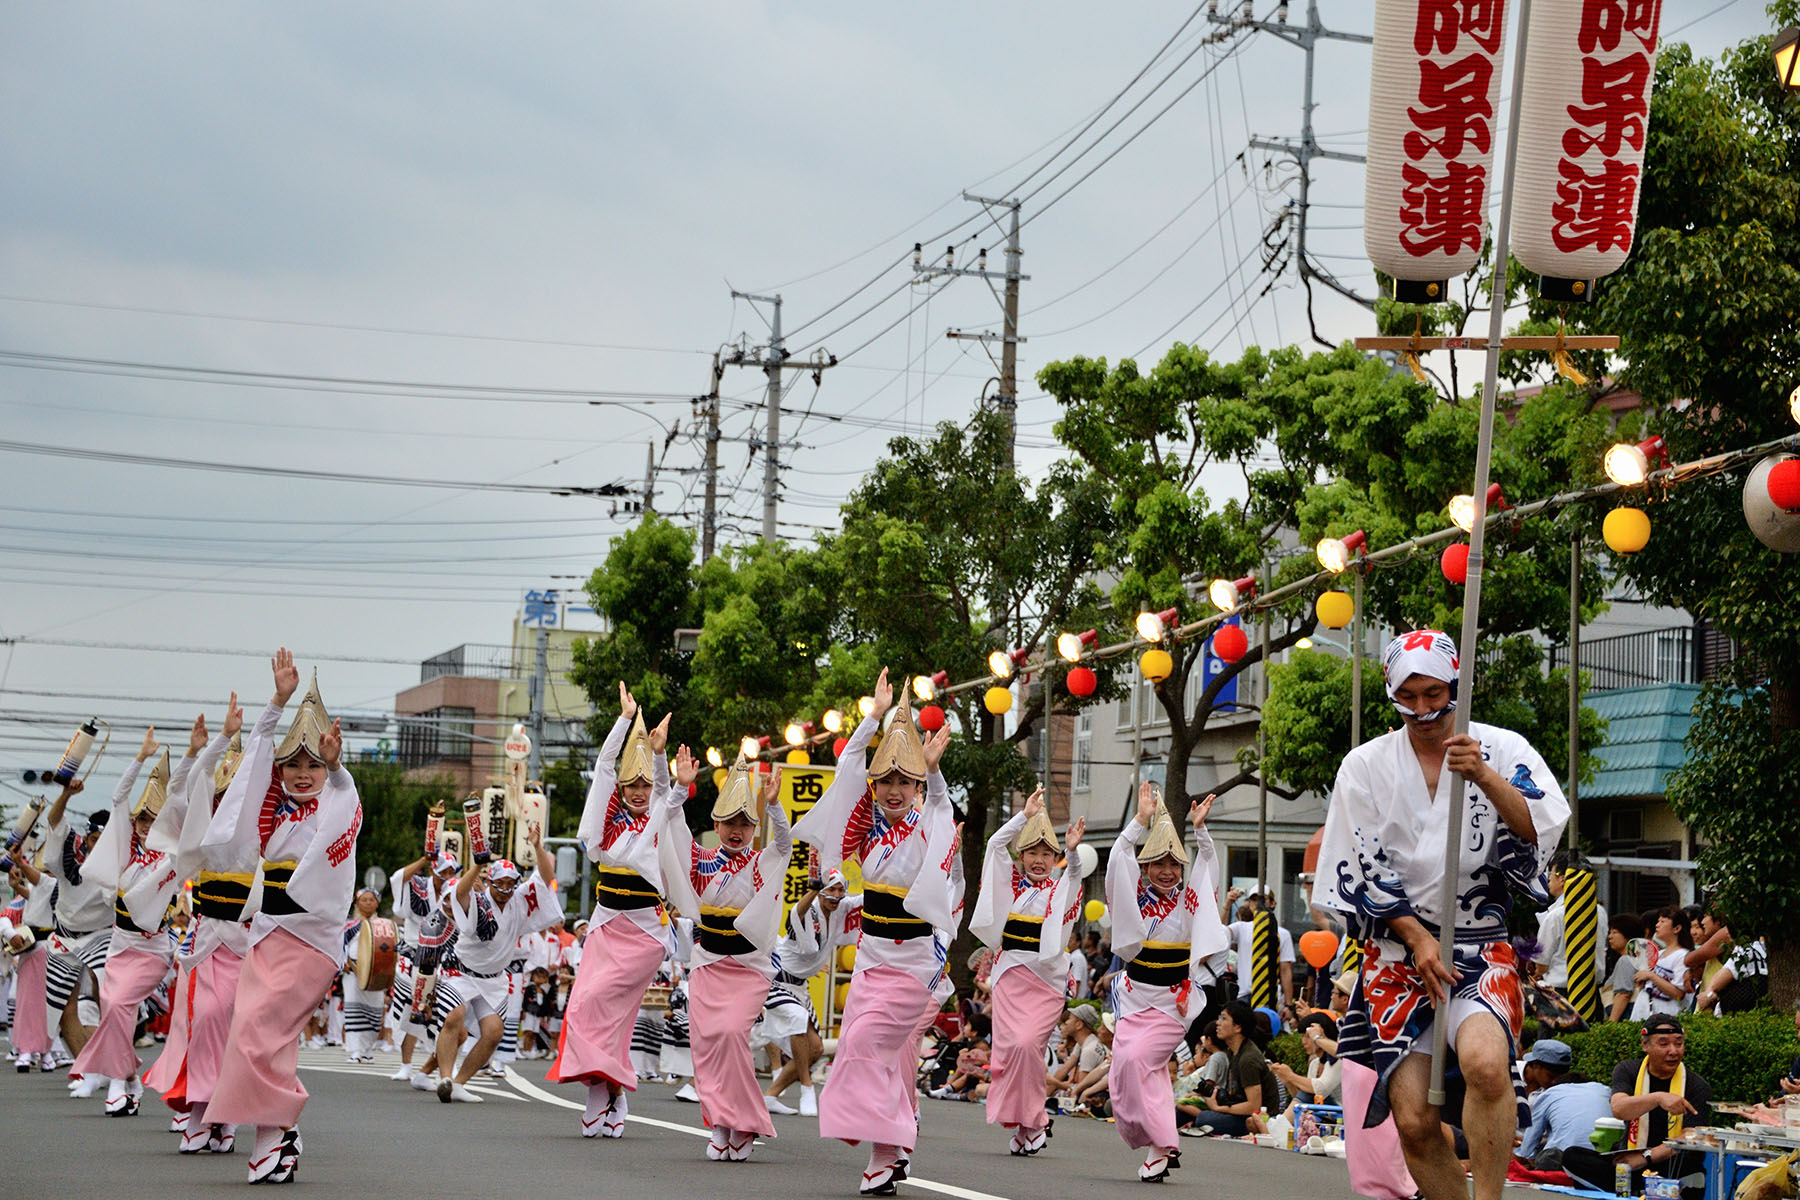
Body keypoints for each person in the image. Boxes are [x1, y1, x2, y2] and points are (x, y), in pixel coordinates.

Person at [1312, 629, 1568, 1200]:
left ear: (1457, 686)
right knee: (1413, 1120)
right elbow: (1358, 862)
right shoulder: (1365, 765)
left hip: (1481, 945)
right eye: (1411, 695)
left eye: (1436, 694)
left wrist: (1484, 776)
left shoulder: (1501, 748)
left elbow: (1540, 828)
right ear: (1390, 691)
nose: (1424, 709)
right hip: (1399, 953)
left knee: (1485, 1064)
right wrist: (1415, 935)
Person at [792, 668, 957, 1198]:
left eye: (902, 782)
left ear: (914, 786)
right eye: (885, 781)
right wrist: (872, 717)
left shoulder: (928, 821)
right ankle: (893, 1147)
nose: (891, 790)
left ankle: (886, 1152)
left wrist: (931, 774)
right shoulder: (868, 827)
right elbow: (846, 773)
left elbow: (940, 809)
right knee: (870, 1055)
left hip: (914, 964)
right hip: (872, 960)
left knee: (864, 1045)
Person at [201, 651, 362, 1184]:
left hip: (310, 942)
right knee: (262, 1036)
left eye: (312, 764)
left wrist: (337, 768)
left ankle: (278, 1128)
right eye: (293, 764)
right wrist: (277, 701)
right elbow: (253, 766)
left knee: (256, 1032)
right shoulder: (273, 807)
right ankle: (277, 1140)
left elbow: (345, 794)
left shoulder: (334, 805)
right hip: (266, 935)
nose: (301, 774)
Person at [549, 684, 683, 1139]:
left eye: (645, 784)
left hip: (646, 931)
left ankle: (609, 1087)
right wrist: (624, 721)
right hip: (607, 924)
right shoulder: (607, 819)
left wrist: (660, 758)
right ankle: (607, 1090)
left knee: (608, 1007)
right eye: (634, 784)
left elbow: (669, 791)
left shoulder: (657, 816)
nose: (641, 791)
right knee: (585, 1007)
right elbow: (605, 767)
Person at [661, 749, 791, 1162]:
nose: (737, 830)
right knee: (706, 1045)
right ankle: (721, 1122)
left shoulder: (758, 865)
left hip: (748, 968)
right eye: (729, 823)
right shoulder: (701, 862)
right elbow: (670, 828)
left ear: (754, 829)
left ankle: (744, 1122)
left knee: (733, 1035)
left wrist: (774, 808)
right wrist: (680, 786)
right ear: (716, 825)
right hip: (708, 963)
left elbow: (785, 846)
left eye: (745, 823)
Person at [1103, 783, 1228, 1182]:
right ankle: (1156, 1138)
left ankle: (1162, 1144)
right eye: (1158, 863)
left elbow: (1208, 868)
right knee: (1124, 1068)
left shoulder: (1189, 899)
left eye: (1175, 863)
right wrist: (1139, 821)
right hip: (1135, 997)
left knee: (1142, 1060)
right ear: (1146, 867)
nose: (1167, 870)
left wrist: (1201, 832)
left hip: (1174, 1002)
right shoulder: (1134, 897)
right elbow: (1117, 860)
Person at [69, 725, 187, 1117]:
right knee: (111, 1005)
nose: (145, 827)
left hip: (152, 948)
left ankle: (121, 1080)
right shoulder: (125, 851)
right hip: (119, 944)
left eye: (154, 821)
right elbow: (119, 798)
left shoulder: (172, 857)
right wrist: (140, 758)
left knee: (118, 1005)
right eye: (141, 820)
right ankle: (128, 1080)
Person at [968, 785, 1088, 1156]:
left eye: (1046, 854)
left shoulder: (1060, 889)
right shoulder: (1012, 886)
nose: (1039, 860)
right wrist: (1024, 816)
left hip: (1046, 981)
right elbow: (993, 847)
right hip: (1009, 977)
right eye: (1032, 852)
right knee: (1009, 1053)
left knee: (1027, 1047)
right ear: (1021, 856)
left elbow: (1076, 875)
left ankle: (1035, 1119)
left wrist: (1071, 852)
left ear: (1055, 858)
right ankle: (1025, 1125)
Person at [150, 700, 247, 1154]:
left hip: (250, 942)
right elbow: (181, 790)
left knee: (238, 1029)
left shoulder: (263, 818)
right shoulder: (204, 818)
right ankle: (196, 1111)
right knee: (202, 1021)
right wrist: (212, 744)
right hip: (208, 940)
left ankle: (225, 1116)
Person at [434, 826, 558, 1103]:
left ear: (515, 883)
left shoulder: (521, 899)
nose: (503, 889)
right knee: (453, 1017)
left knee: (493, 1033)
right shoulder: (478, 898)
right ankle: (443, 1077)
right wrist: (477, 865)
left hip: (493, 978)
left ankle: (458, 1083)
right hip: (461, 970)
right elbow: (459, 894)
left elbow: (548, 882)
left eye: (508, 884)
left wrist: (538, 847)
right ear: (489, 882)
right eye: (498, 883)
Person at [1560, 1015, 1712, 1197]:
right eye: (1663, 1044)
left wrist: (1646, 1157)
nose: (1673, 1051)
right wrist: (1657, 1098)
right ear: (1645, 1045)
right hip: (1629, 1160)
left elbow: (1691, 1137)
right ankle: (1637, 1188)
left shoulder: (1697, 1085)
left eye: (1678, 1044)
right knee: (1572, 1156)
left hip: (1668, 1163)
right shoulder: (1628, 1070)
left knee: (1690, 1167)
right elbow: (1619, 1109)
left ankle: (1629, 1188)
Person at [762, 869, 861, 1116]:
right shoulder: (811, 909)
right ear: (820, 891)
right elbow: (796, 914)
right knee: (796, 1020)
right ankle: (807, 1088)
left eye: (840, 890)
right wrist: (814, 890)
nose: (836, 895)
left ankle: (771, 1096)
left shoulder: (841, 908)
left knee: (815, 1049)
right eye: (830, 889)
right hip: (778, 982)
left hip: (799, 988)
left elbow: (871, 896)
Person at [42, 771, 114, 1082]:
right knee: (60, 1009)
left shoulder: (122, 861)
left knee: (107, 999)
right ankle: (89, 1070)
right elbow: (54, 820)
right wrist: (67, 795)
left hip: (102, 936)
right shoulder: (69, 854)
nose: (99, 846)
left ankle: (114, 1063)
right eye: (96, 839)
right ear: (88, 837)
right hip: (64, 936)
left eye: (106, 841)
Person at [387, 848, 459, 1084]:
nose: (447, 876)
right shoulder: (417, 885)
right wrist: (423, 858)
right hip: (412, 954)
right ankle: (405, 1065)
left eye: (451, 871)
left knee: (443, 1012)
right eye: (442, 872)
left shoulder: (457, 892)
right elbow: (398, 879)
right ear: (432, 871)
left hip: (442, 957)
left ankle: (440, 1065)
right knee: (410, 1008)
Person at [1510, 1038, 1612, 1173]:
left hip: (1557, 1159)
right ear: (1535, 1065)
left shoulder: (1550, 1092)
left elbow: (1526, 1151)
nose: (1555, 1081)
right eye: (1551, 1075)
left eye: (1559, 1077)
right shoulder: (1505, 1073)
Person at [1186, 1000, 1280, 1137]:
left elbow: (1254, 1106)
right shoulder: (1233, 1052)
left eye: (1223, 1018)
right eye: (1219, 1018)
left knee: (1203, 1119)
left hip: (1260, 1118)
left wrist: (1218, 1108)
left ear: (1237, 1027)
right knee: (1183, 1111)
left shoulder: (1248, 1059)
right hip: (1238, 1111)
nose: (1218, 1023)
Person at [1530, 853, 1607, 998]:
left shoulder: (1555, 915)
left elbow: (1541, 963)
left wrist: (1538, 973)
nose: (1549, 878)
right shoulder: (1600, 911)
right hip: (1592, 992)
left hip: (1559, 993)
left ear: (1562, 879)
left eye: (1551, 873)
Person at [340, 888, 386, 1064]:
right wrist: (343, 962)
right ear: (357, 903)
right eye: (364, 900)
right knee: (353, 1009)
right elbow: (340, 945)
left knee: (374, 1011)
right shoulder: (349, 925)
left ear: (377, 903)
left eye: (371, 900)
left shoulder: (383, 925)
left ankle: (367, 1050)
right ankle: (355, 1051)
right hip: (353, 973)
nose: (368, 903)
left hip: (376, 974)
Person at [1271, 1012, 1342, 1114]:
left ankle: (1279, 1124)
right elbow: (1302, 1099)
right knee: (1307, 1092)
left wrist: (1291, 1076)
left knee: (1311, 1090)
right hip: (1318, 1113)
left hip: (1340, 1115)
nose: (1303, 1041)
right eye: (1302, 1037)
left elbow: (1320, 1088)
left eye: (1308, 1036)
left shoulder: (1337, 1059)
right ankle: (1280, 1123)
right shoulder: (1314, 1063)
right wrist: (1287, 1080)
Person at [1636, 907, 1692, 1018]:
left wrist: (1651, 976)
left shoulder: (1682, 956)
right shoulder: (1659, 954)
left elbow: (1679, 993)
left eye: (1662, 921)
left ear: (1677, 928)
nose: (1657, 925)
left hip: (1665, 1016)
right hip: (1644, 1011)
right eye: (1658, 921)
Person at [1605, 914, 1648, 1022]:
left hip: (1626, 1018)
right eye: (1610, 932)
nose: (1610, 936)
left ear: (1628, 935)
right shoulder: (1642, 957)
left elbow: (1623, 994)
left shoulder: (1626, 960)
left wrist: (1611, 1023)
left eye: (1615, 932)